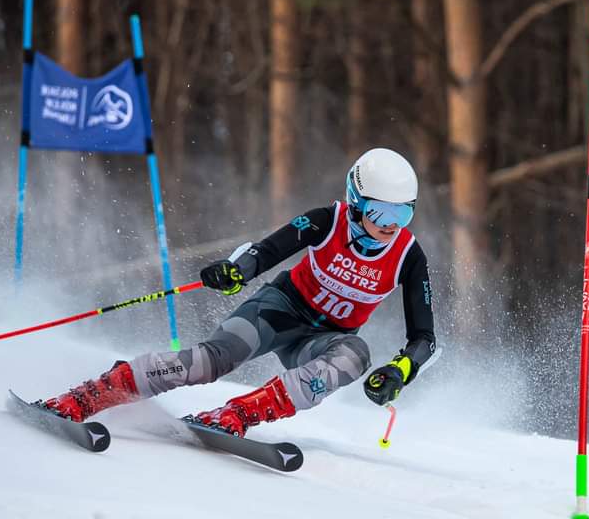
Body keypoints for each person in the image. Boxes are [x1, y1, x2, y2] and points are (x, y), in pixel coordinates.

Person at [41, 148, 437, 437]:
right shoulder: (325, 221)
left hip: (322, 340)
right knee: (210, 362)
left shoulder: (408, 255)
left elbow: (424, 338)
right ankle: (95, 392)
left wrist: (399, 371)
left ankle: (239, 415)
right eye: (381, 213)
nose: (391, 225)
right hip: (279, 311)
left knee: (356, 356)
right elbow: (267, 251)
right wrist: (236, 271)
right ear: (355, 203)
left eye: (403, 214)